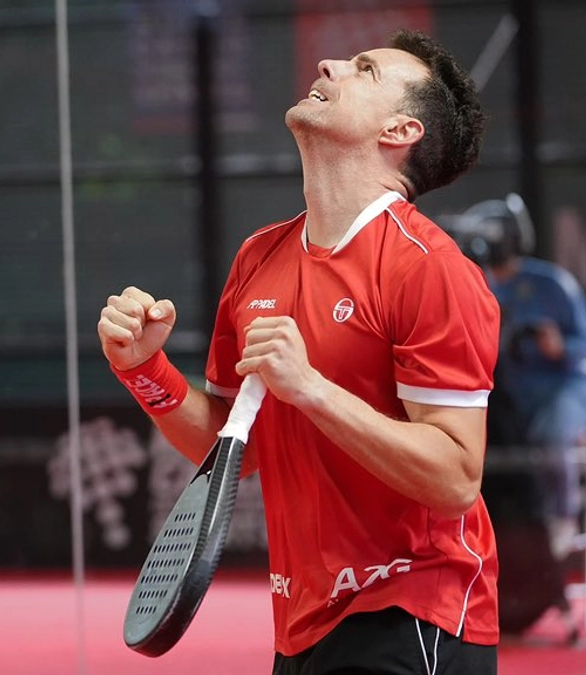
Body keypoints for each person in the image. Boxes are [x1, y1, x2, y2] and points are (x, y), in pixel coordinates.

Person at [99, 30, 499, 674]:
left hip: (414, 610)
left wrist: (310, 388)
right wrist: (144, 369)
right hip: (300, 624)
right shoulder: (259, 258)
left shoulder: (429, 269)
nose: (329, 63)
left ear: (401, 129)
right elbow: (233, 449)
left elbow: (455, 478)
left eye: (364, 69)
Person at [454, 194, 586, 561]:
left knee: (550, 437)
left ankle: (562, 519)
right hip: (507, 391)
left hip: (562, 387)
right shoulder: (474, 282)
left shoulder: (552, 282)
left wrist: (558, 345)